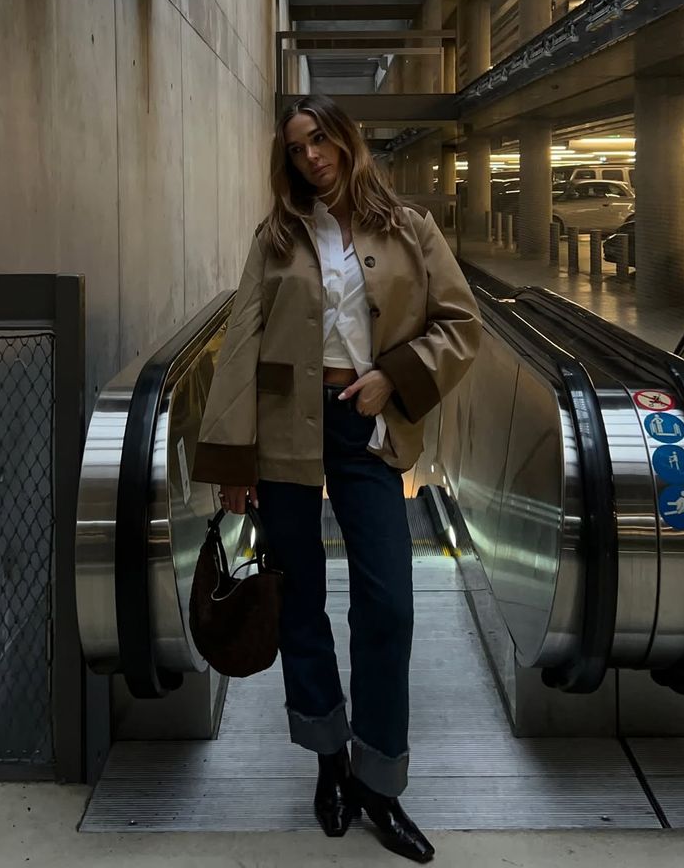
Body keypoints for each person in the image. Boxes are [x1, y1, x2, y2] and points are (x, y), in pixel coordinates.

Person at [192, 95, 481, 863]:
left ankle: (379, 785)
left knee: (387, 604)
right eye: (296, 148)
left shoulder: (408, 227)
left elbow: (461, 324)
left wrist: (394, 376)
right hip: (287, 428)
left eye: (320, 139)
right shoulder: (277, 235)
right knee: (299, 603)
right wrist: (231, 461)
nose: (311, 156)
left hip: (367, 424)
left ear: (347, 141)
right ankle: (329, 763)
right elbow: (242, 340)